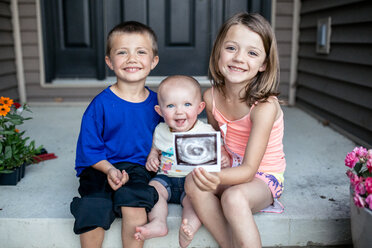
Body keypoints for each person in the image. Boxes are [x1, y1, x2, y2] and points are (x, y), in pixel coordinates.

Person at [184, 12, 286, 248]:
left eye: (252, 53)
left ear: (263, 64)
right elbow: (216, 140)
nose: (239, 58)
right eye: (231, 48)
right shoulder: (210, 98)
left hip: (263, 175)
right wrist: (216, 161)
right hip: (231, 169)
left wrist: (217, 178)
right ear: (219, 51)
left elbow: (250, 170)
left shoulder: (264, 107)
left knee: (234, 197)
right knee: (192, 182)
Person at [70, 21, 161, 248]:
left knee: (135, 201)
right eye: (122, 52)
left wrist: (155, 154)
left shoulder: (159, 105)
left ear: (154, 61)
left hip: (138, 168)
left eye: (141, 52)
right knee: (94, 205)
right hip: (101, 167)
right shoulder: (100, 105)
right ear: (110, 62)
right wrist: (110, 169)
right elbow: (89, 149)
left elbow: (165, 137)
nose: (132, 58)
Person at [134, 75, 230, 248]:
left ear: (200, 107)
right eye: (170, 106)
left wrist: (223, 158)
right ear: (159, 111)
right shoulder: (161, 130)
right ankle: (158, 222)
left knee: (196, 202)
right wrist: (152, 158)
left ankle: (189, 228)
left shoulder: (206, 130)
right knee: (153, 189)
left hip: (192, 183)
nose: (179, 111)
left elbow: (220, 151)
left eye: (187, 104)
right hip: (166, 179)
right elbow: (155, 150)